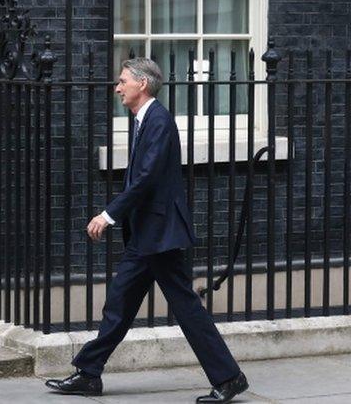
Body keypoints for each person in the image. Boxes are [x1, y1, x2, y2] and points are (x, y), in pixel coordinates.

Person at [44, 58, 249, 403]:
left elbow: (146, 178)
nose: (118, 87)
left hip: (161, 236)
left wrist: (108, 215)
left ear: (142, 84)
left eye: (123, 81)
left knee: (186, 309)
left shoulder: (158, 121)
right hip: (146, 235)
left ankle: (229, 378)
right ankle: (89, 373)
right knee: (120, 303)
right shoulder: (144, 120)